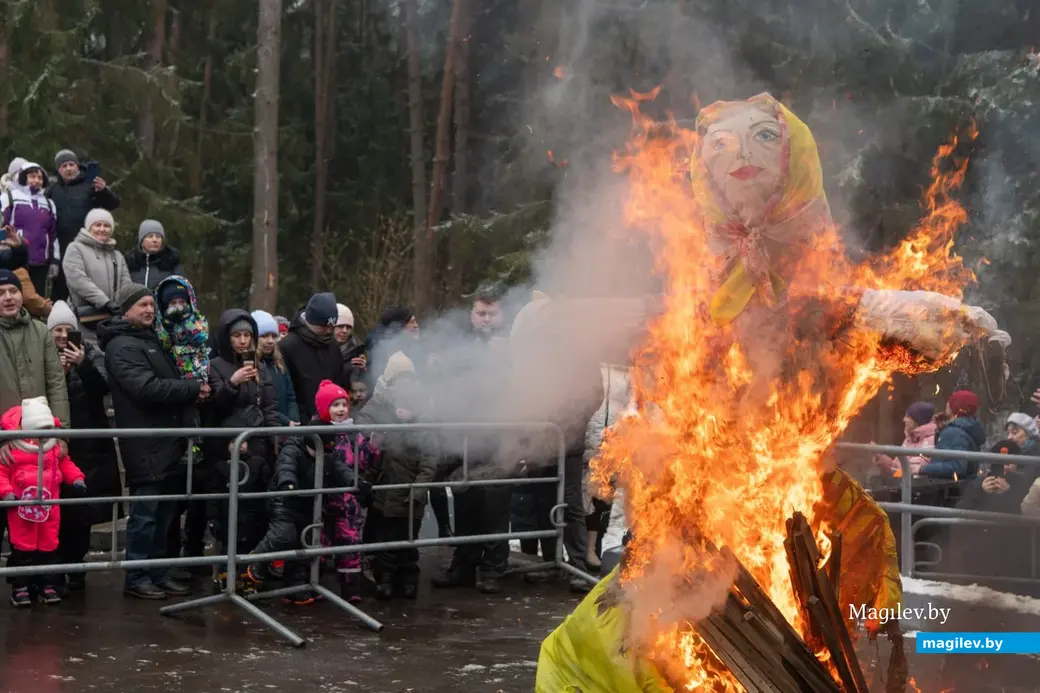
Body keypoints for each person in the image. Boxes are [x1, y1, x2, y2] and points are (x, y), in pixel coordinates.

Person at [98, 282, 207, 600]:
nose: (149, 309)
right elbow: (145, 388)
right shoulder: (121, 346)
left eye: (150, 304)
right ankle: (137, 576)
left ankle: (158, 573)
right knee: (145, 516)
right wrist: (191, 389)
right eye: (141, 304)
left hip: (165, 442)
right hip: (145, 445)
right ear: (125, 309)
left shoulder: (149, 341)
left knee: (165, 515)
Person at [247, 382, 362, 605]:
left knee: (304, 544)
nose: (324, 452)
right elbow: (286, 466)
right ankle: (255, 561)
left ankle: (295, 587)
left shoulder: (328, 451)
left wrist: (357, 483)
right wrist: (288, 484)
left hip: (309, 502)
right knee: (284, 534)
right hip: (285, 499)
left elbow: (340, 469)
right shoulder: (296, 446)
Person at [432, 291, 512, 593]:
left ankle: (493, 569)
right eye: (481, 314)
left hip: (499, 439)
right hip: (463, 437)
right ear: (471, 314)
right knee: (465, 502)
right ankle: (463, 565)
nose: (486, 320)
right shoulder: (460, 346)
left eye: (491, 314)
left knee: (494, 507)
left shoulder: (511, 345)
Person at [47, 301, 121, 594]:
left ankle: (76, 571)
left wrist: (82, 365)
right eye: (58, 330)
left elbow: (105, 386)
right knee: (55, 514)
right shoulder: (43, 357)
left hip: (90, 448)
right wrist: (60, 373)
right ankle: (54, 572)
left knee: (82, 515)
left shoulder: (90, 354)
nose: (64, 336)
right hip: (56, 446)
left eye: (69, 330)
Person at [205, 309, 280, 590]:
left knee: (256, 513)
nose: (243, 341)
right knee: (228, 514)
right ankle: (224, 573)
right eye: (237, 335)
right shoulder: (214, 366)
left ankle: (251, 572)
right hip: (226, 451)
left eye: (247, 335)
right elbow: (215, 407)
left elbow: (269, 406)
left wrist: (275, 440)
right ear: (227, 337)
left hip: (259, 448)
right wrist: (233, 383)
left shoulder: (261, 367)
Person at [355, 352, 438, 600]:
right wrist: (368, 481)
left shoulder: (424, 424)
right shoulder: (380, 410)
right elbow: (373, 451)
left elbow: (429, 461)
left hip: (411, 494)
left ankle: (408, 579)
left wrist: (419, 490)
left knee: (409, 541)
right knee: (385, 541)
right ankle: (386, 580)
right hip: (385, 491)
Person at [0, 397, 85, 606]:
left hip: (49, 506)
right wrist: (7, 492)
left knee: (49, 547)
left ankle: (48, 584)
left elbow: (65, 464)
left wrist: (76, 478)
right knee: (23, 548)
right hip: (21, 508)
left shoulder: (52, 447)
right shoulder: (13, 449)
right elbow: (1, 473)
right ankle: (20, 587)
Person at [153, 275, 210, 568]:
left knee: (197, 492)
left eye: (181, 302)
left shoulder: (200, 333)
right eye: (171, 303)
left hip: (198, 413)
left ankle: (192, 552)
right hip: (171, 417)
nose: (177, 307)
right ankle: (168, 558)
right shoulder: (158, 337)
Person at [314, 379, 373, 602]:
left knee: (349, 543)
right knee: (318, 542)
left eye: (343, 405)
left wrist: (374, 446)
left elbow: (364, 462)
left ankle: (350, 590)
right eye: (335, 405)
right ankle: (313, 584)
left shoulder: (353, 433)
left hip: (347, 501)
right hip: (321, 499)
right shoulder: (317, 431)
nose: (340, 410)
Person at [46, 150, 120, 302]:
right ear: (58, 170)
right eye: (64, 166)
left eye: (71, 164)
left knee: (87, 288)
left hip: (89, 247)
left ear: (78, 166)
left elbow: (113, 204)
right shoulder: (53, 189)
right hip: (62, 249)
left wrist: (104, 191)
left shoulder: (91, 184)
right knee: (61, 293)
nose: (68, 168)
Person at [0, 269, 69, 425]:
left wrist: (61, 431)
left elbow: (56, 384)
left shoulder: (41, 331)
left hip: (43, 432)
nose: (9, 297)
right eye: (1, 293)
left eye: (13, 291)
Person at [279, 292, 350, 422]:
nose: (328, 331)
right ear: (310, 321)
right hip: (302, 423)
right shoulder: (288, 346)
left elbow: (339, 380)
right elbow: (287, 392)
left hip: (332, 421)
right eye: (323, 326)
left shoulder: (332, 345)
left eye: (331, 326)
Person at [62, 209, 132, 337]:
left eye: (106, 225)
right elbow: (78, 280)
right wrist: (104, 302)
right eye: (97, 225)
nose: (102, 229)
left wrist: (122, 304)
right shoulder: (75, 248)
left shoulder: (117, 255)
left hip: (112, 318)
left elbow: (126, 282)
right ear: (89, 227)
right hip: (83, 318)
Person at [1, 161, 58, 295]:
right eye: (32, 176)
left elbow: (53, 234)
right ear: (23, 177)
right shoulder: (8, 198)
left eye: (40, 177)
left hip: (40, 261)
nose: (36, 180)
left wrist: (54, 261)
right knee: (15, 296)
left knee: (37, 299)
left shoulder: (49, 203)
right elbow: (1, 228)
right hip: (14, 259)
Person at [252, 309, 299, 426]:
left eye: (274, 336)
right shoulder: (250, 367)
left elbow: (291, 396)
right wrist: (286, 421)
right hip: (266, 427)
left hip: (288, 428)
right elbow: (261, 404)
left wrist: (293, 418)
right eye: (264, 336)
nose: (270, 341)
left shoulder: (279, 364)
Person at [923, 390, 985, 478]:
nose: (947, 403)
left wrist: (922, 469)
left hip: (950, 488)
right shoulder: (967, 428)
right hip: (965, 487)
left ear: (956, 406)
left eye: (951, 401)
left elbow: (957, 466)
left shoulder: (954, 432)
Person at [873, 401, 938, 477]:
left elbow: (914, 473)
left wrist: (895, 473)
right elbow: (899, 468)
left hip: (915, 488)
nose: (904, 419)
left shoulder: (931, 441)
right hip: (904, 486)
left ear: (917, 420)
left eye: (908, 416)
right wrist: (882, 459)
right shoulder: (908, 440)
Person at [126, 220, 185, 290]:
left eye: (158, 236)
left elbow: (181, 288)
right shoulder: (130, 261)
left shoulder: (172, 260)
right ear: (141, 241)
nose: (155, 240)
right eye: (150, 236)